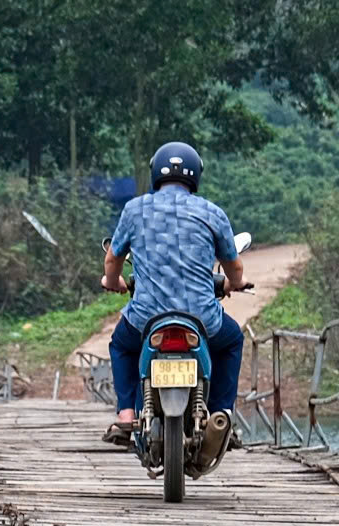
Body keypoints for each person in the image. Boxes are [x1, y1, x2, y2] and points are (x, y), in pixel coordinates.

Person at [101, 141, 245, 450]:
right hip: (202, 318)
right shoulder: (212, 212)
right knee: (232, 340)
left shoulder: (134, 209)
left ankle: (126, 415)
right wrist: (235, 283)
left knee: (121, 345)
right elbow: (234, 265)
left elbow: (113, 259)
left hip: (146, 318)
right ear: (195, 175)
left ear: (155, 173)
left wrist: (112, 281)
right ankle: (221, 415)